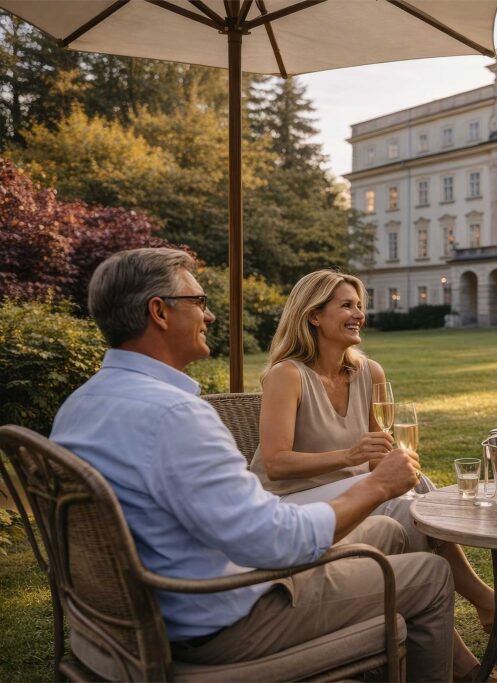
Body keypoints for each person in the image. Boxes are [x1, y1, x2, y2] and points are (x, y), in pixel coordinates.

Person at [49, 248, 454, 681]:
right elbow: (273, 542)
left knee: (389, 531)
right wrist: (374, 487)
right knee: (430, 575)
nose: (209, 317)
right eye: (198, 303)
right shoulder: (176, 415)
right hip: (223, 618)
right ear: (159, 312)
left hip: (131, 614)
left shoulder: (80, 404)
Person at [249, 269, 497, 668]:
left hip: (352, 490)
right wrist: (350, 456)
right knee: (404, 507)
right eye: (346, 305)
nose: (358, 314)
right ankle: (482, 610)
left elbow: (376, 455)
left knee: (417, 484)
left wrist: (386, 462)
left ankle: (460, 646)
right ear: (314, 315)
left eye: (360, 305)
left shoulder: (369, 372)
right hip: (291, 503)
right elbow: (276, 464)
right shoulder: (287, 375)